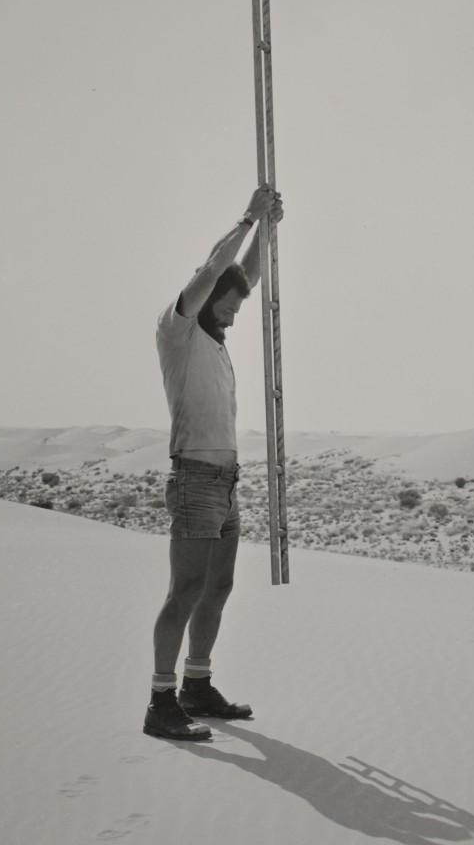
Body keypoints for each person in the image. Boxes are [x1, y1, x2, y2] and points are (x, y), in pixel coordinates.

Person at [143, 184, 283, 741]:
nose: (234, 310)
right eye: (227, 304)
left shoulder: (217, 337)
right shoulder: (178, 330)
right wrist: (248, 219)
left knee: (217, 588)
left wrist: (268, 229)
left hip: (225, 480)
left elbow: (239, 278)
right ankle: (159, 701)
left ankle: (195, 686)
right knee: (185, 590)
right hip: (195, 476)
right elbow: (216, 271)